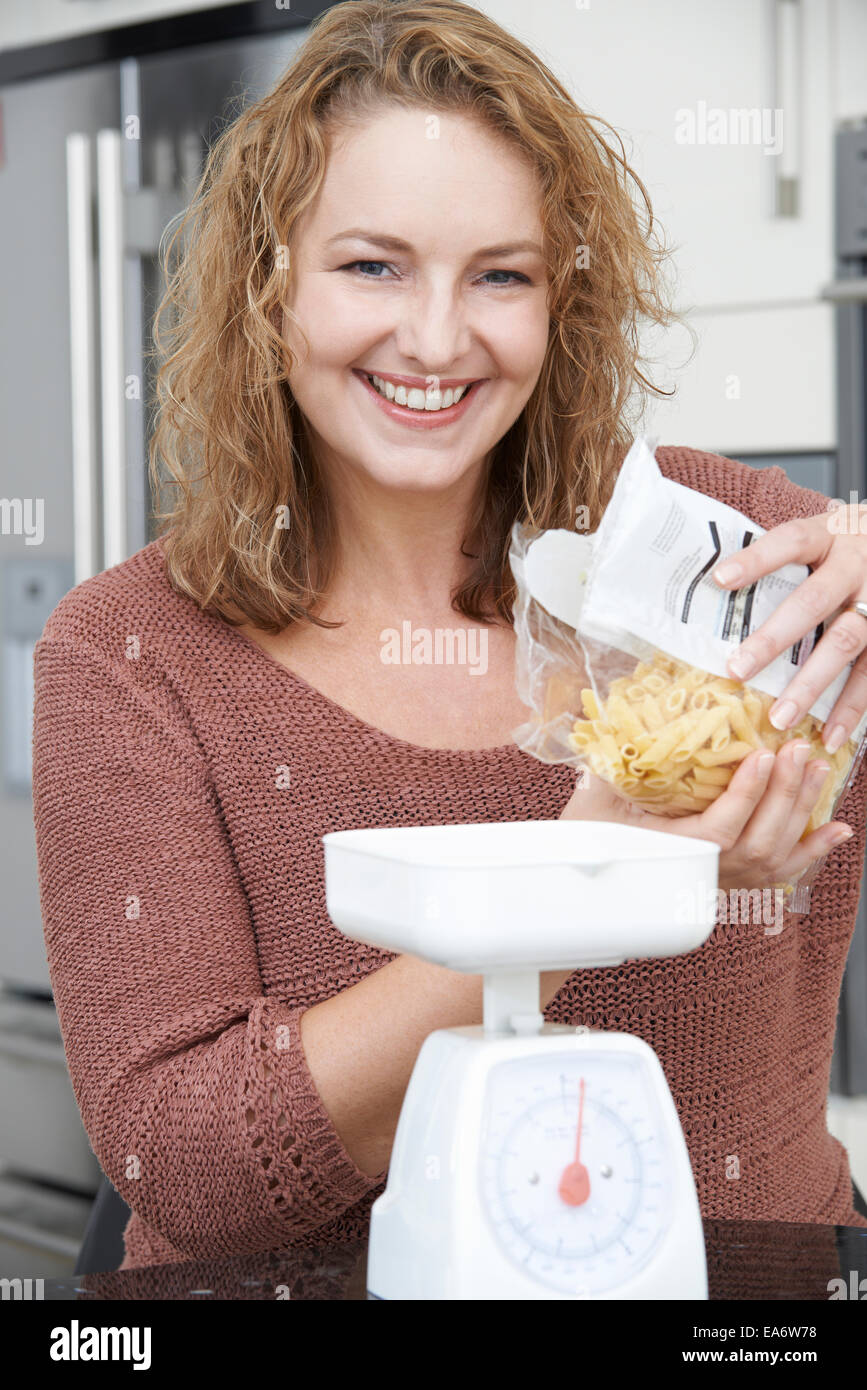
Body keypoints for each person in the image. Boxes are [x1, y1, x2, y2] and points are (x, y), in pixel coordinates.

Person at [32, 0, 867, 1274]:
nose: (436, 339)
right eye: (373, 265)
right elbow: (185, 1161)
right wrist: (584, 877)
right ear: (270, 286)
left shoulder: (733, 544)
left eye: (502, 275)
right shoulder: (131, 654)